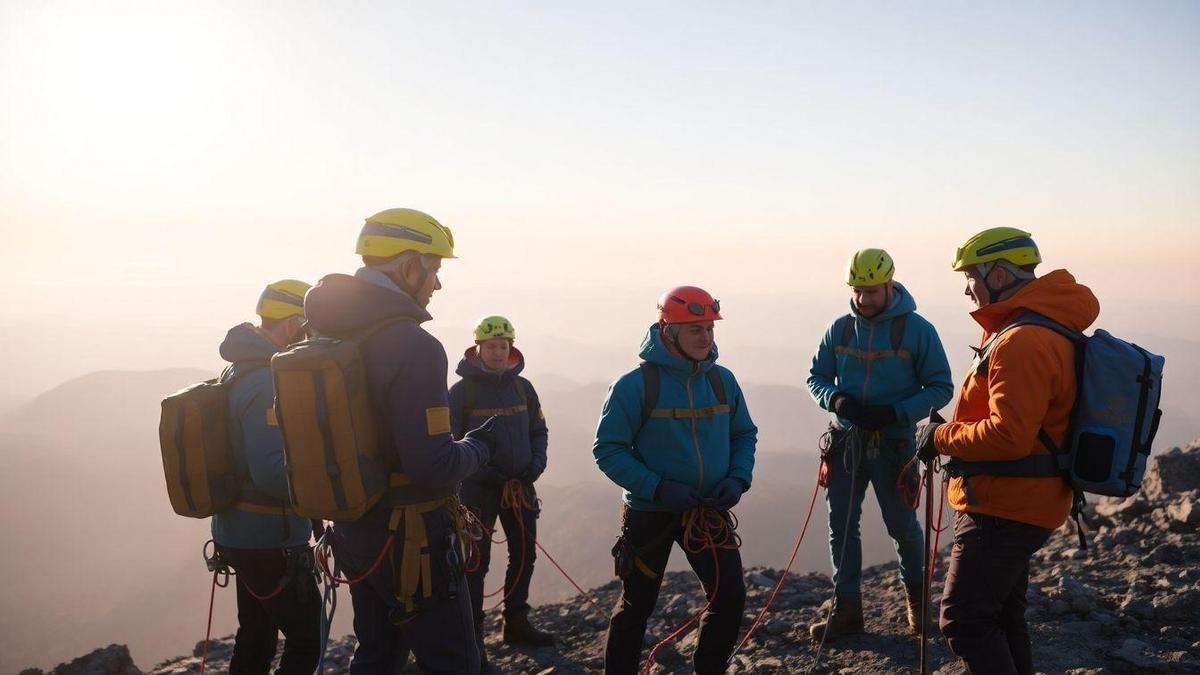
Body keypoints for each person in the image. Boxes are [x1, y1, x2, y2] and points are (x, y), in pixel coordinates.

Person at [303, 208, 496, 674]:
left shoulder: (324, 335)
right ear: (410, 266)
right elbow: (431, 464)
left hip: (353, 526)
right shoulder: (413, 346)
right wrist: (476, 449)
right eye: (434, 269)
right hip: (413, 538)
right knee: (454, 660)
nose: (437, 284)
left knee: (377, 653)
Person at [915, 227, 1099, 675]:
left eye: (971, 275)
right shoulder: (1037, 327)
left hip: (1004, 504)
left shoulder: (1023, 340)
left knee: (965, 621)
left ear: (997, 274)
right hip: (1021, 498)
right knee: (1000, 616)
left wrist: (940, 438)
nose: (967, 287)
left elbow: (1009, 436)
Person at [593, 286, 758, 675]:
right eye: (694, 329)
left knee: (729, 594)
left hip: (706, 509)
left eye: (709, 329)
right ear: (668, 332)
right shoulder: (634, 385)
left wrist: (738, 479)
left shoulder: (722, 381)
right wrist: (658, 487)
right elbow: (608, 450)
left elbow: (743, 434)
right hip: (649, 511)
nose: (705, 337)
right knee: (637, 605)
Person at [806, 248, 953, 640]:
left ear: (890, 285)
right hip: (846, 442)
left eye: (871, 291)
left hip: (894, 445)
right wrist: (836, 400)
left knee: (903, 528)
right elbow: (816, 376)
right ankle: (847, 611)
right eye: (857, 290)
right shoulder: (839, 329)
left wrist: (896, 413)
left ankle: (919, 610)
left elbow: (941, 387)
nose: (863, 299)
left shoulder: (917, 330)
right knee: (841, 526)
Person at [212, 279, 321, 674]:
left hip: (240, 531)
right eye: (308, 329)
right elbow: (271, 473)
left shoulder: (237, 371)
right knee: (309, 639)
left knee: (257, 633)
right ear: (293, 324)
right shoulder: (264, 382)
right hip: (269, 538)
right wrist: (325, 491)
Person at [450, 315, 555, 672]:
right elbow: (451, 444)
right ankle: (472, 638)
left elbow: (538, 430)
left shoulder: (523, 388)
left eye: (503, 346)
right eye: (492, 346)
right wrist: (488, 473)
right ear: (478, 348)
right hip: (477, 491)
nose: (498, 352)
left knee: (524, 553)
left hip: (521, 486)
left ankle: (516, 621)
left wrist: (535, 466)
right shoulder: (460, 393)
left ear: (512, 348)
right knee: (476, 564)